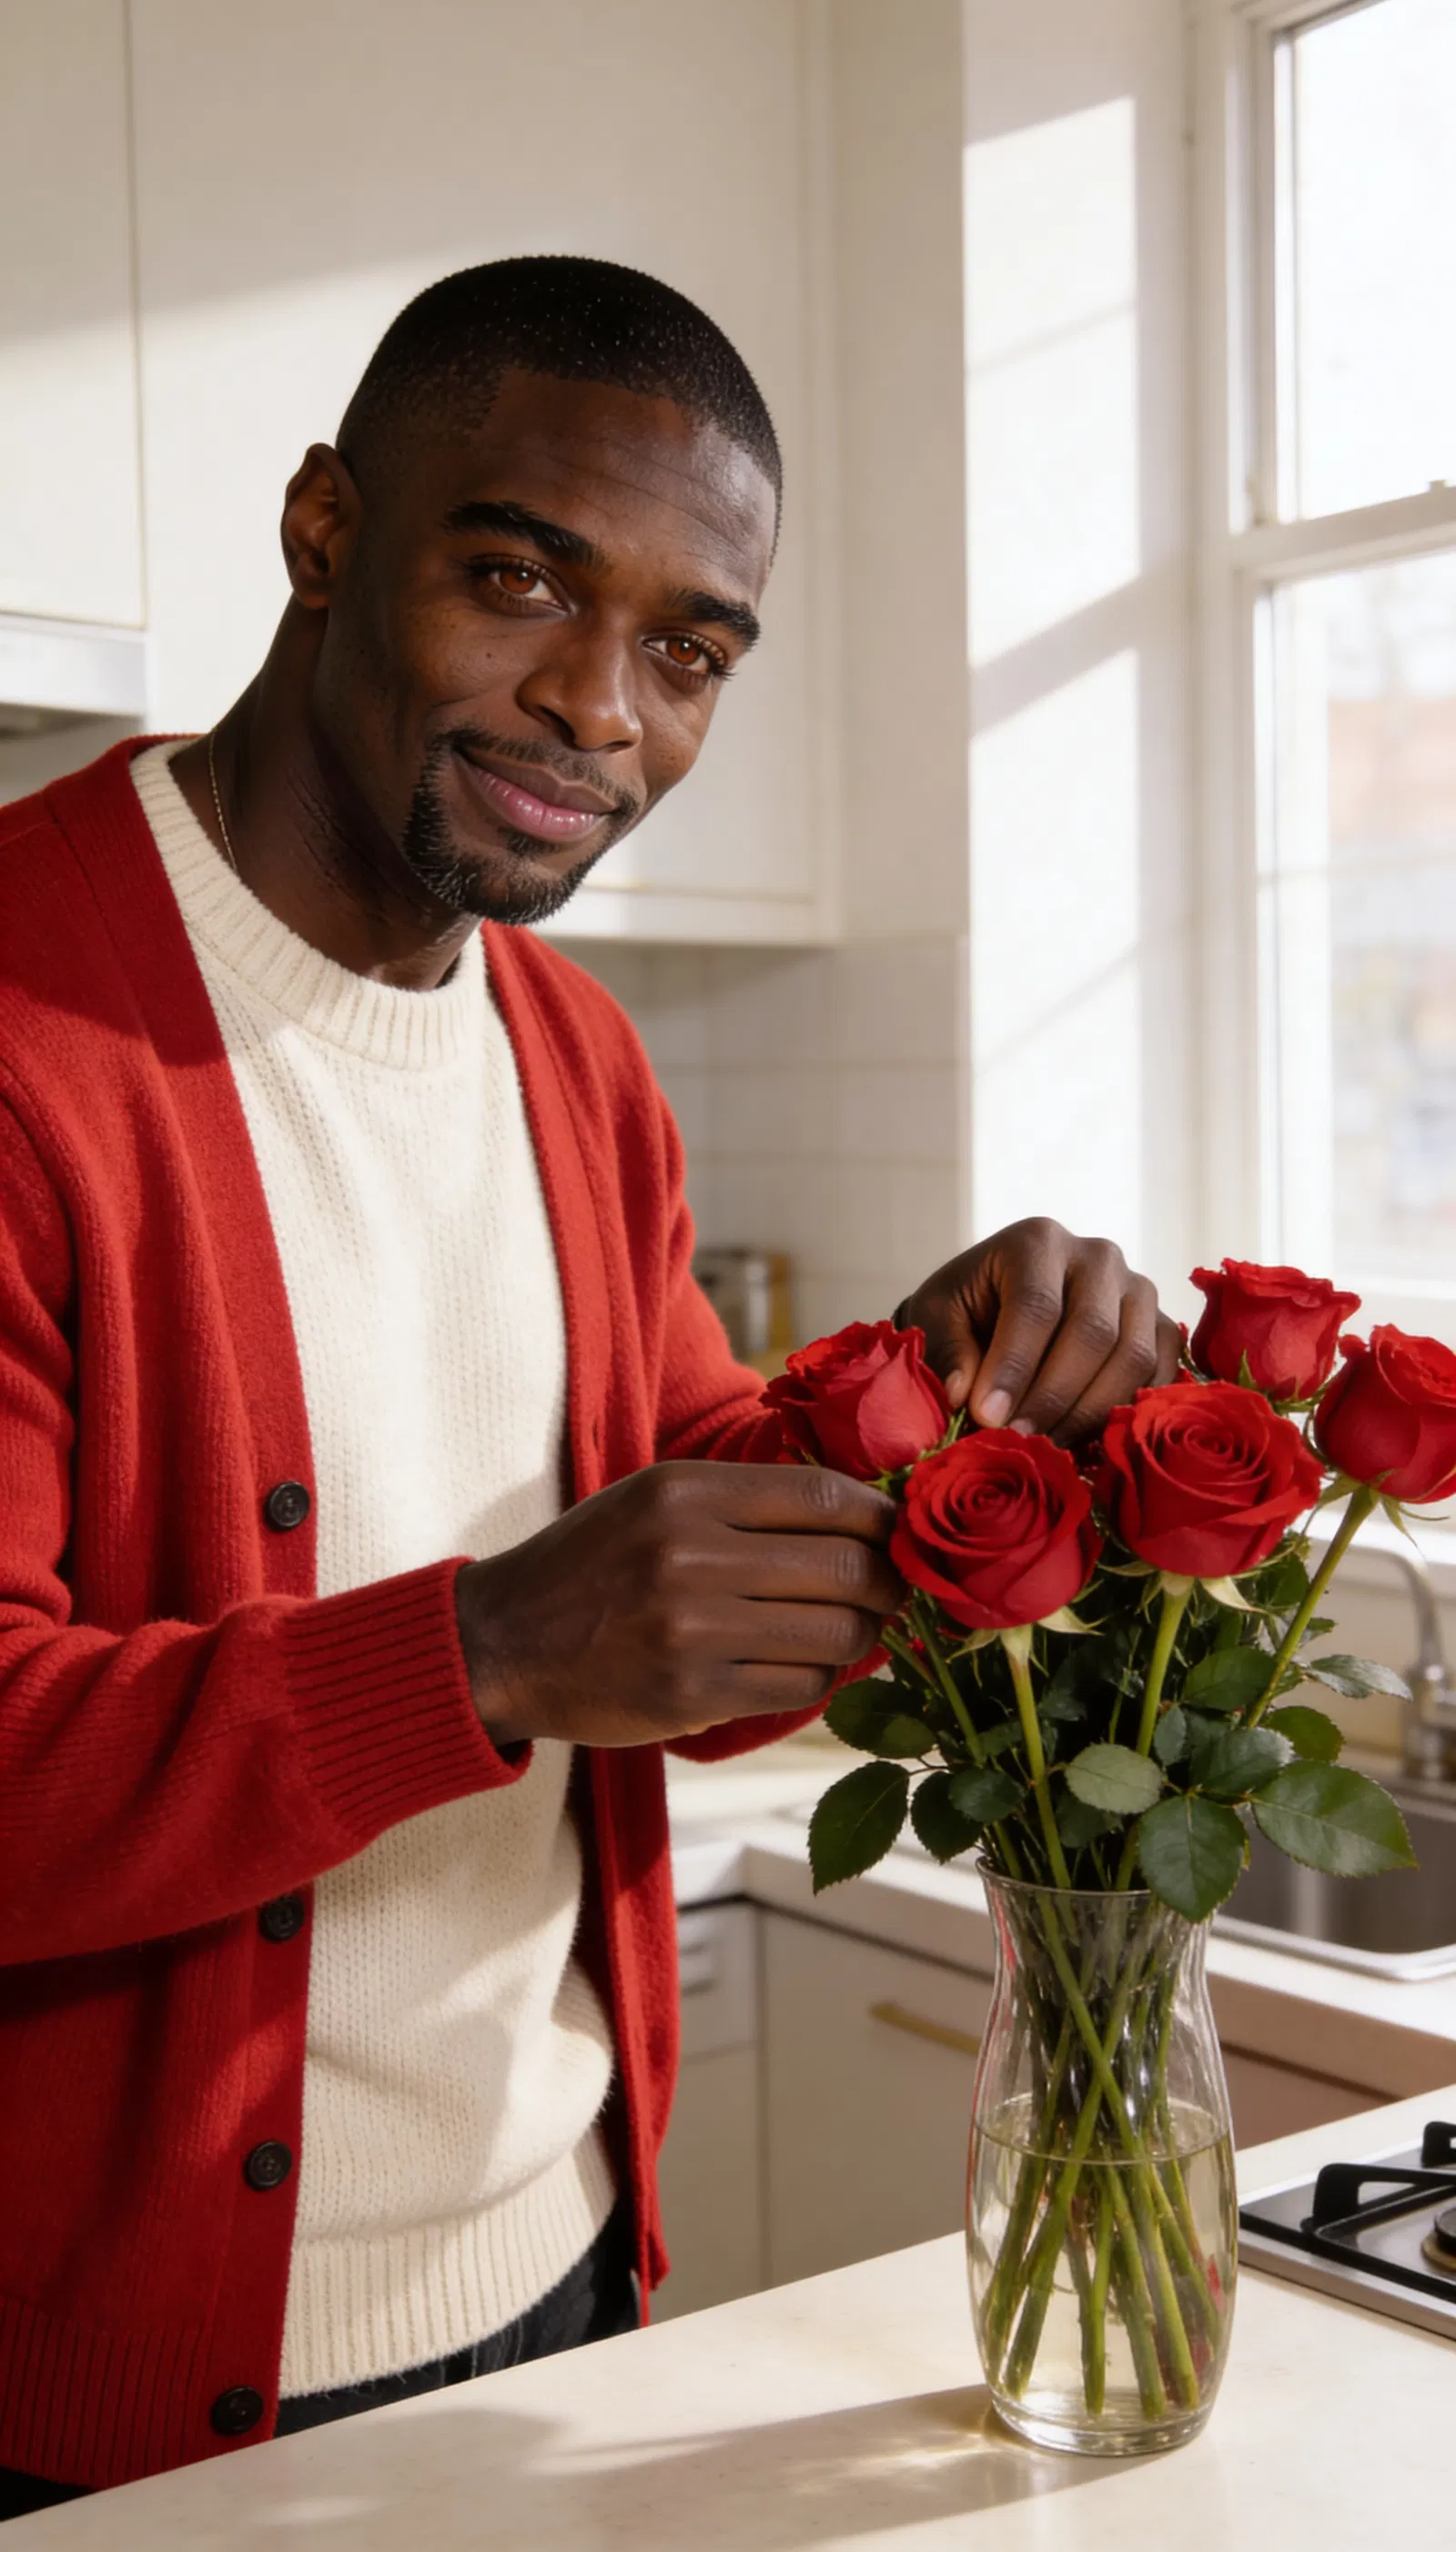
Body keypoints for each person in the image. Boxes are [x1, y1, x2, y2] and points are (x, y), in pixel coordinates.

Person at [0, 256, 1178, 2518]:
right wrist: (485, 1652)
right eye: (515, 575)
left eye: (687, 647)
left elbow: (692, 1624)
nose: (595, 707)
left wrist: (914, 1401)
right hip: (114, 2399)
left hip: (558, 2279)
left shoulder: (572, 1054)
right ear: (325, 531)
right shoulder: (24, 1036)